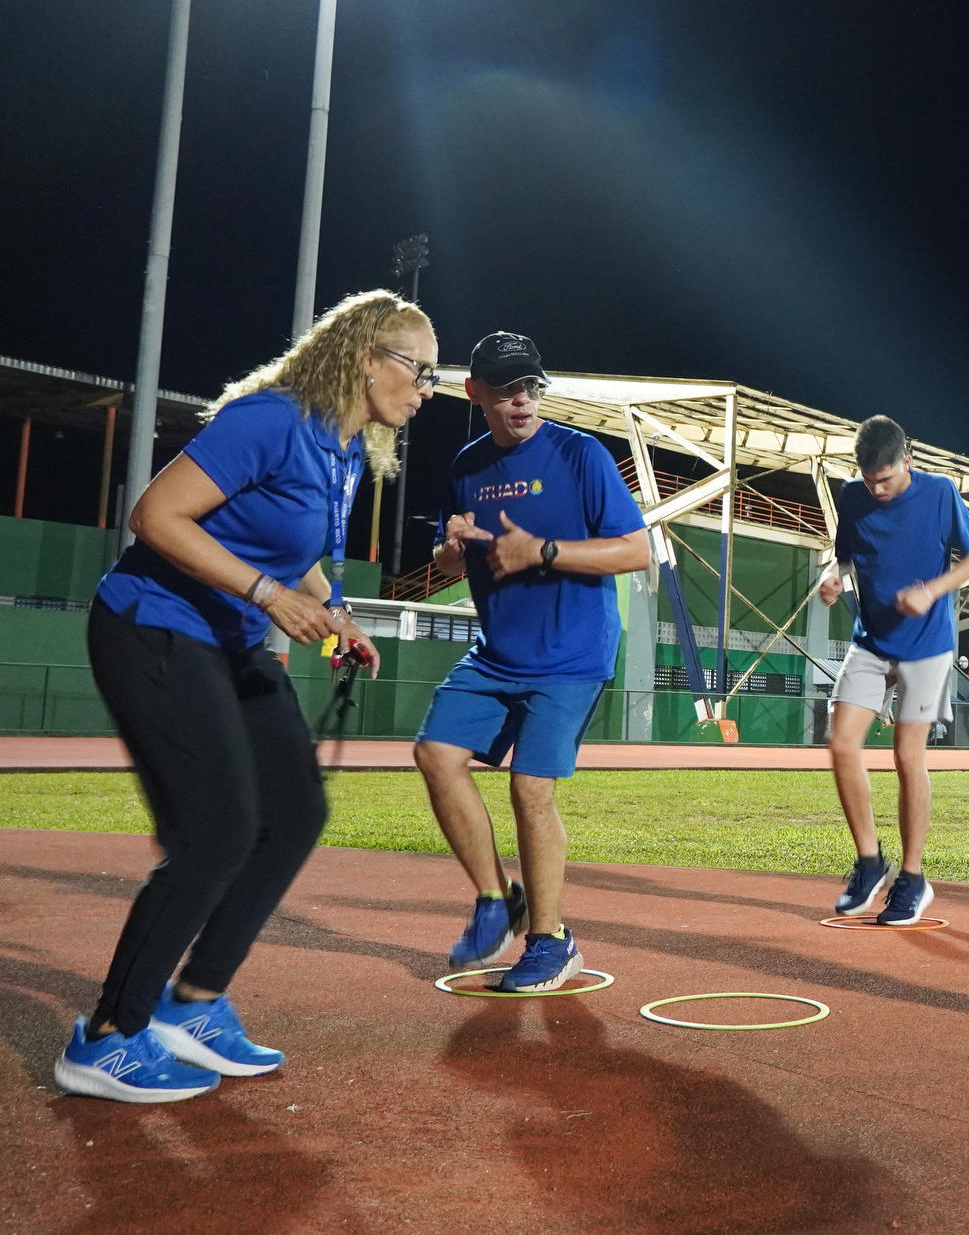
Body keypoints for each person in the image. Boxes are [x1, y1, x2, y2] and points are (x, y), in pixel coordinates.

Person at [57, 290, 432, 1102]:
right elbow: (154, 515)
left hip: (226, 637)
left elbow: (288, 548)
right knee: (215, 833)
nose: (425, 387)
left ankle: (193, 1003)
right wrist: (270, 595)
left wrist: (333, 613)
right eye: (417, 367)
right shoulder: (272, 420)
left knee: (295, 813)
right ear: (367, 357)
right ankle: (107, 1037)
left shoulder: (342, 449)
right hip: (152, 625)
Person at [413, 332, 649, 992]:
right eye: (505, 388)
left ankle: (550, 940)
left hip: (572, 655)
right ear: (475, 393)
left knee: (529, 788)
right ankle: (497, 899)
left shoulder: (581, 454)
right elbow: (450, 557)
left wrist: (544, 552)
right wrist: (452, 553)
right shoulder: (465, 466)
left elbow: (635, 551)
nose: (520, 400)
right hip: (497, 654)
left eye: (529, 387)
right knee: (435, 753)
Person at [818, 415, 969, 925]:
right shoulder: (852, 497)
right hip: (871, 642)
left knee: (905, 754)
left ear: (907, 463)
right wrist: (833, 576)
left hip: (927, 645)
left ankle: (913, 879)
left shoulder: (940, 493)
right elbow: (845, 557)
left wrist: (931, 591)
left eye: (886, 479)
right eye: (869, 479)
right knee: (842, 744)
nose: (877, 489)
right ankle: (870, 863)